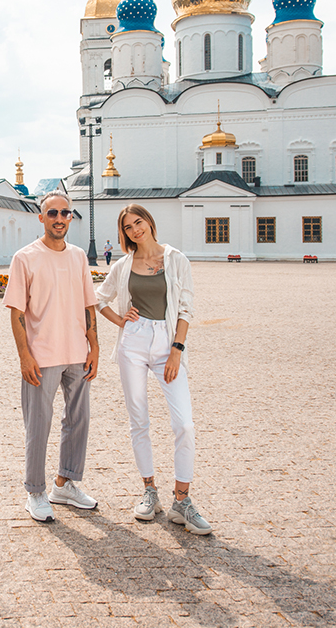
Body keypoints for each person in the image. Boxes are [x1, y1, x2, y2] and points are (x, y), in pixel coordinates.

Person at [95, 204, 211, 534]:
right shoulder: (123, 265)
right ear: (124, 233)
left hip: (167, 344)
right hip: (133, 341)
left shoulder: (176, 259)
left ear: (149, 222)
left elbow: (186, 308)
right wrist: (119, 320)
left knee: (184, 424)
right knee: (139, 419)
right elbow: (99, 298)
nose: (135, 230)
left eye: (139, 222)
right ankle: (149, 491)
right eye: (128, 227)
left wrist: (176, 350)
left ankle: (182, 501)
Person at [3, 190, 100, 522]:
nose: (60, 218)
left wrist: (95, 346)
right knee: (38, 425)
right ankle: (35, 491)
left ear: (71, 217)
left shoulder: (78, 257)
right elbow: (16, 312)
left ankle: (65, 483)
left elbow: (89, 304)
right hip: (42, 357)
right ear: (41, 217)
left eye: (65, 213)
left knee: (78, 421)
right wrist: (24, 356)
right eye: (53, 213)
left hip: (77, 353)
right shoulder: (25, 258)